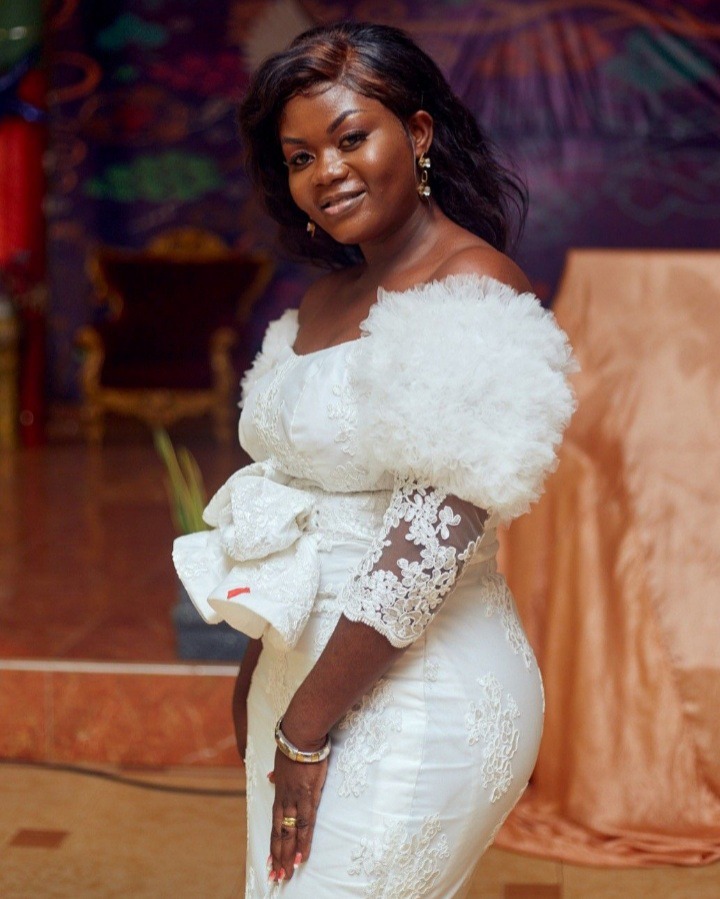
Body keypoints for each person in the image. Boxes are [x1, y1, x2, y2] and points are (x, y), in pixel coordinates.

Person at [173, 21, 576, 897]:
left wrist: (305, 725)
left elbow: (429, 539)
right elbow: (291, 507)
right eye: (300, 156)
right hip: (303, 686)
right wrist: (263, 679)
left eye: (352, 137)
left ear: (418, 134)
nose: (329, 171)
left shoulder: (473, 283)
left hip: (419, 689)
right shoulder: (323, 298)